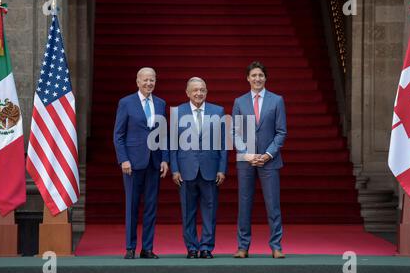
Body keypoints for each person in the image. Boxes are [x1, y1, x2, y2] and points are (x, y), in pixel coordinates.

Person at [232, 61, 287, 259]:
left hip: (269, 161)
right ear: (247, 78)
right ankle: (243, 247)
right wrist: (247, 154)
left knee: (273, 204)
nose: (257, 79)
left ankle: (276, 246)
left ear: (265, 78)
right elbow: (235, 132)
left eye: (260, 75)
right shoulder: (240, 101)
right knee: (244, 204)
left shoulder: (277, 100)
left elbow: (281, 132)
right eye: (254, 75)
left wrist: (268, 154)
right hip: (246, 161)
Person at [113, 67, 169, 259]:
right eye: (145, 80)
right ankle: (130, 247)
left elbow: (163, 135)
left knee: (151, 207)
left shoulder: (161, 104)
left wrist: (165, 159)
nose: (148, 83)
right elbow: (118, 135)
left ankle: (147, 248)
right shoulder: (126, 103)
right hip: (132, 164)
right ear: (137, 81)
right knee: (132, 205)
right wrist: (124, 159)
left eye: (152, 80)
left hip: (154, 163)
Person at [170, 77, 227, 259]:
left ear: (206, 92)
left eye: (202, 90)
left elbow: (223, 143)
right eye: (195, 90)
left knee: (210, 210)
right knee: (188, 210)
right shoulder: (177, 112)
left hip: (210, 168)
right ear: (187, 92)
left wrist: (222, 169)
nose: (199, 93)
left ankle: (206, 247)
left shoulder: (218, 111)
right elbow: (172, 144)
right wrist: (175, 169)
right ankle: (192, 248)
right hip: (186, 169)